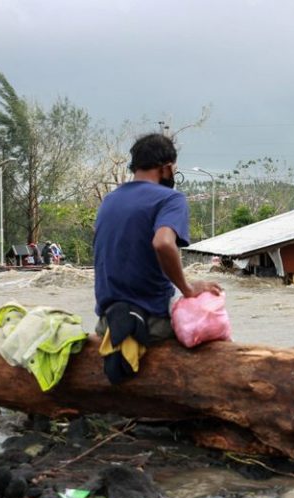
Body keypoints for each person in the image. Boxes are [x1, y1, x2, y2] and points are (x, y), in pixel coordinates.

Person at [93, 133, 222, 344]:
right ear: (167, 168)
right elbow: (162, 243)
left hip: (107, 323)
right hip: (151, 323)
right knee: (211, 328)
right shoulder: (170, 199)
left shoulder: (109, 200)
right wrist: (188, 289)